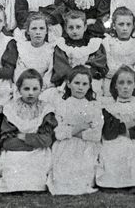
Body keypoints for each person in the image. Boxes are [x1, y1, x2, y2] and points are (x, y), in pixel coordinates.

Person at [43, 66, 103, 195]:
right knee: (63, 173)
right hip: (65, 146)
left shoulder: (94, 106)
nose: (80, 87)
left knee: (83, 174)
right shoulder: (62, 105)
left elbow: (96, 134)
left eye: (84, 84)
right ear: (69, 84)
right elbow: (58, 133)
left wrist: (70, 130)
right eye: (77, 83)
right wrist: (81, 126)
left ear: (89, 86)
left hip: (86, 147)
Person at [95, 66, 135, 189]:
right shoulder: (108, 107)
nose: (125, 86)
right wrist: (130, 124)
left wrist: (119, 127)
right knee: (115, 153)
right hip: (114, 142)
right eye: (121, 82)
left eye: (129, 82)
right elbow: (109, 134)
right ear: (115, 86)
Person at [0, 69, 57, 193]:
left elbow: (46, 140)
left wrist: (24, 137)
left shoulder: (45, 109)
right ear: (19, 90)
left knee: (36, 162)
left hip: (38, 150)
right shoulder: (10, 108)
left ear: (41, 89)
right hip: (17, 149)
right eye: (26, 89)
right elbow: (6, 141)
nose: (30, 93)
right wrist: (31, 143)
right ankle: (13, 187)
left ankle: (34, 186)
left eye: (35, 89)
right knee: (13, 161)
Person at [51, 10, 108, 95]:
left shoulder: (94, 44)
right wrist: (74, 76)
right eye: (71, 27)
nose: (74, 31)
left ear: (85, 27)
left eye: (78, 27)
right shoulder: (61, 45)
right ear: (66, 29)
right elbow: (61, 66)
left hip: (90, 80)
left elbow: (99, 62)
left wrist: (85, 73)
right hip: (68, 81)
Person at [0, 12, 55, 87]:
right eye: (34, 28)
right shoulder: (21, 47)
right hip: (23, 87)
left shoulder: (51, 49)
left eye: (42, 28)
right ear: (28, 31)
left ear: (46, 31)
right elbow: (18, 73)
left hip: (43, 88)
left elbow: (49, 74)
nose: (38, 32)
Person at [102, 7, 135, 96]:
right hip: (112, 83)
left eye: (128, 24)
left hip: (134, 83)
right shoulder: (107, 42)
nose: (125, 28)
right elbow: (110, 69)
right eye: (121, 24)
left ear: (133, 25)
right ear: (113, 25)